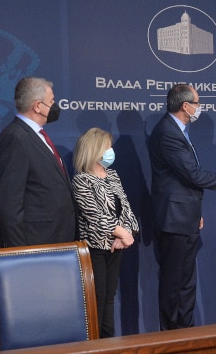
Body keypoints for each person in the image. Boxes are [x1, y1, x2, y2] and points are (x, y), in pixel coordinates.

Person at [149, 84, 216, 330]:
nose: (199, 107)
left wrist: (194, 213)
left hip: (184, 216)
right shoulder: (167, 132)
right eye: (197, 103)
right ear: (185, 106)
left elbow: (184, 179)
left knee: (186, 283)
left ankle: (186, 335)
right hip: (173, 218)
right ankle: (171, 338)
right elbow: (192, 174)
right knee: (174, 283)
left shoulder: (179, 130)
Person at [72, 127, 139, 338]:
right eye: (107, 147)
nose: (111, 151)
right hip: (95, 248)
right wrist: (122, 233)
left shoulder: (112, 175)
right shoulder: (81, 181)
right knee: (97, 298)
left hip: (115, 246)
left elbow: (126, 207)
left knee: (109, 297)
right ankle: (95, 344)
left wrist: (126, 235)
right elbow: (96, 216)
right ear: (95, 150)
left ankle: (108, 342)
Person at [0, 76, 76, 247]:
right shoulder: (15, 137)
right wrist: (21, 253)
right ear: (38, 106)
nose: (55, 106)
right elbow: (10, 204)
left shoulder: (37, 136)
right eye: (52, 101)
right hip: (35, 244)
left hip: (58, 239)